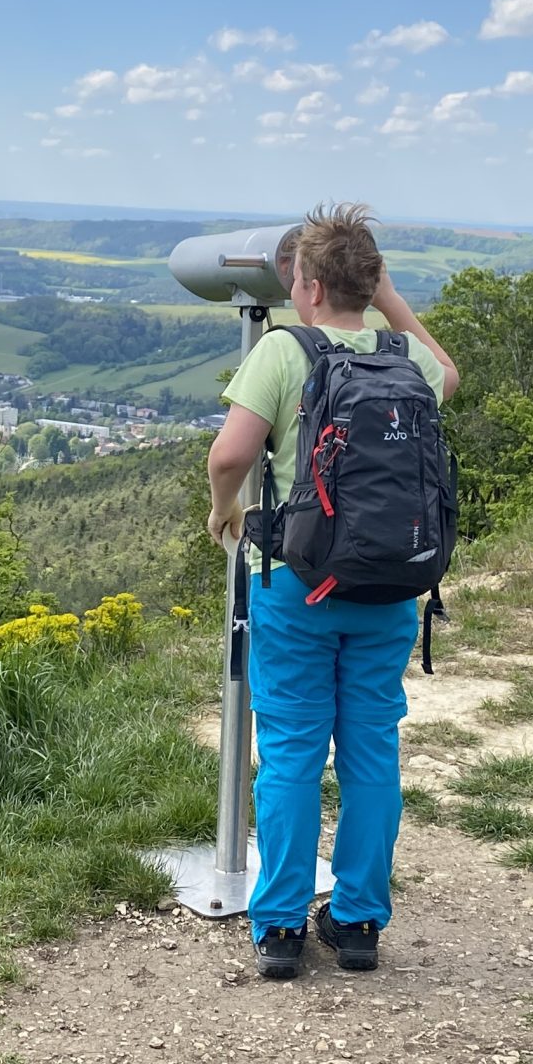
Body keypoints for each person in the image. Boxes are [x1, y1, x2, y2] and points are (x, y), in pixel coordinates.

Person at [205, 203, 460, 980]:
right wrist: (391, 300)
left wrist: (224, 511)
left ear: (310, 287)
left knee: (290, 752)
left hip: (297, 583)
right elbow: (449, 376)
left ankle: (281, 926)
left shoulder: (284, 352)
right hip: (389, 586)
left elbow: (229, 456)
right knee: (372, 750)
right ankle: (357, 921)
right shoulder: (405, 360)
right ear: (370, 283)